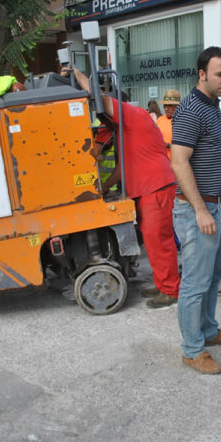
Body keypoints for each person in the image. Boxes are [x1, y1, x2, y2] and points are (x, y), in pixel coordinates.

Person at [68, 66, 180, 308]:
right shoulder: (126, 130)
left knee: (159, 242)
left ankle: (170, 290)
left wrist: (78, 75)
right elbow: (123, 168)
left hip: (155, 187)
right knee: (152, 242)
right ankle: (164, 284)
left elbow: (100, 98)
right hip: (148, 188)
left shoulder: (132, 114)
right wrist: (103, 189)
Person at [170, 47, 221, 375]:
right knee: (195, 282)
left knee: (216, 272)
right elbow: (179, 162)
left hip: (217, 203)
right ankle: (192, 350)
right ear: (202, 75)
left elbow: (211, 154)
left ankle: (208, 330)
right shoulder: (191, 109)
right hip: (198, 210)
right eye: (219, 74)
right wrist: (200, 209)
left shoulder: (212, 105)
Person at [156, 89, 180, 159]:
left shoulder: (182, 121)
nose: (166, 109)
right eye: (165, 105)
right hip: (161, 161)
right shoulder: (160, 120)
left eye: (169, 106)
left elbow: (184, 148)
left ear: (177, 106)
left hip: (175, 162)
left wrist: (167, 145)